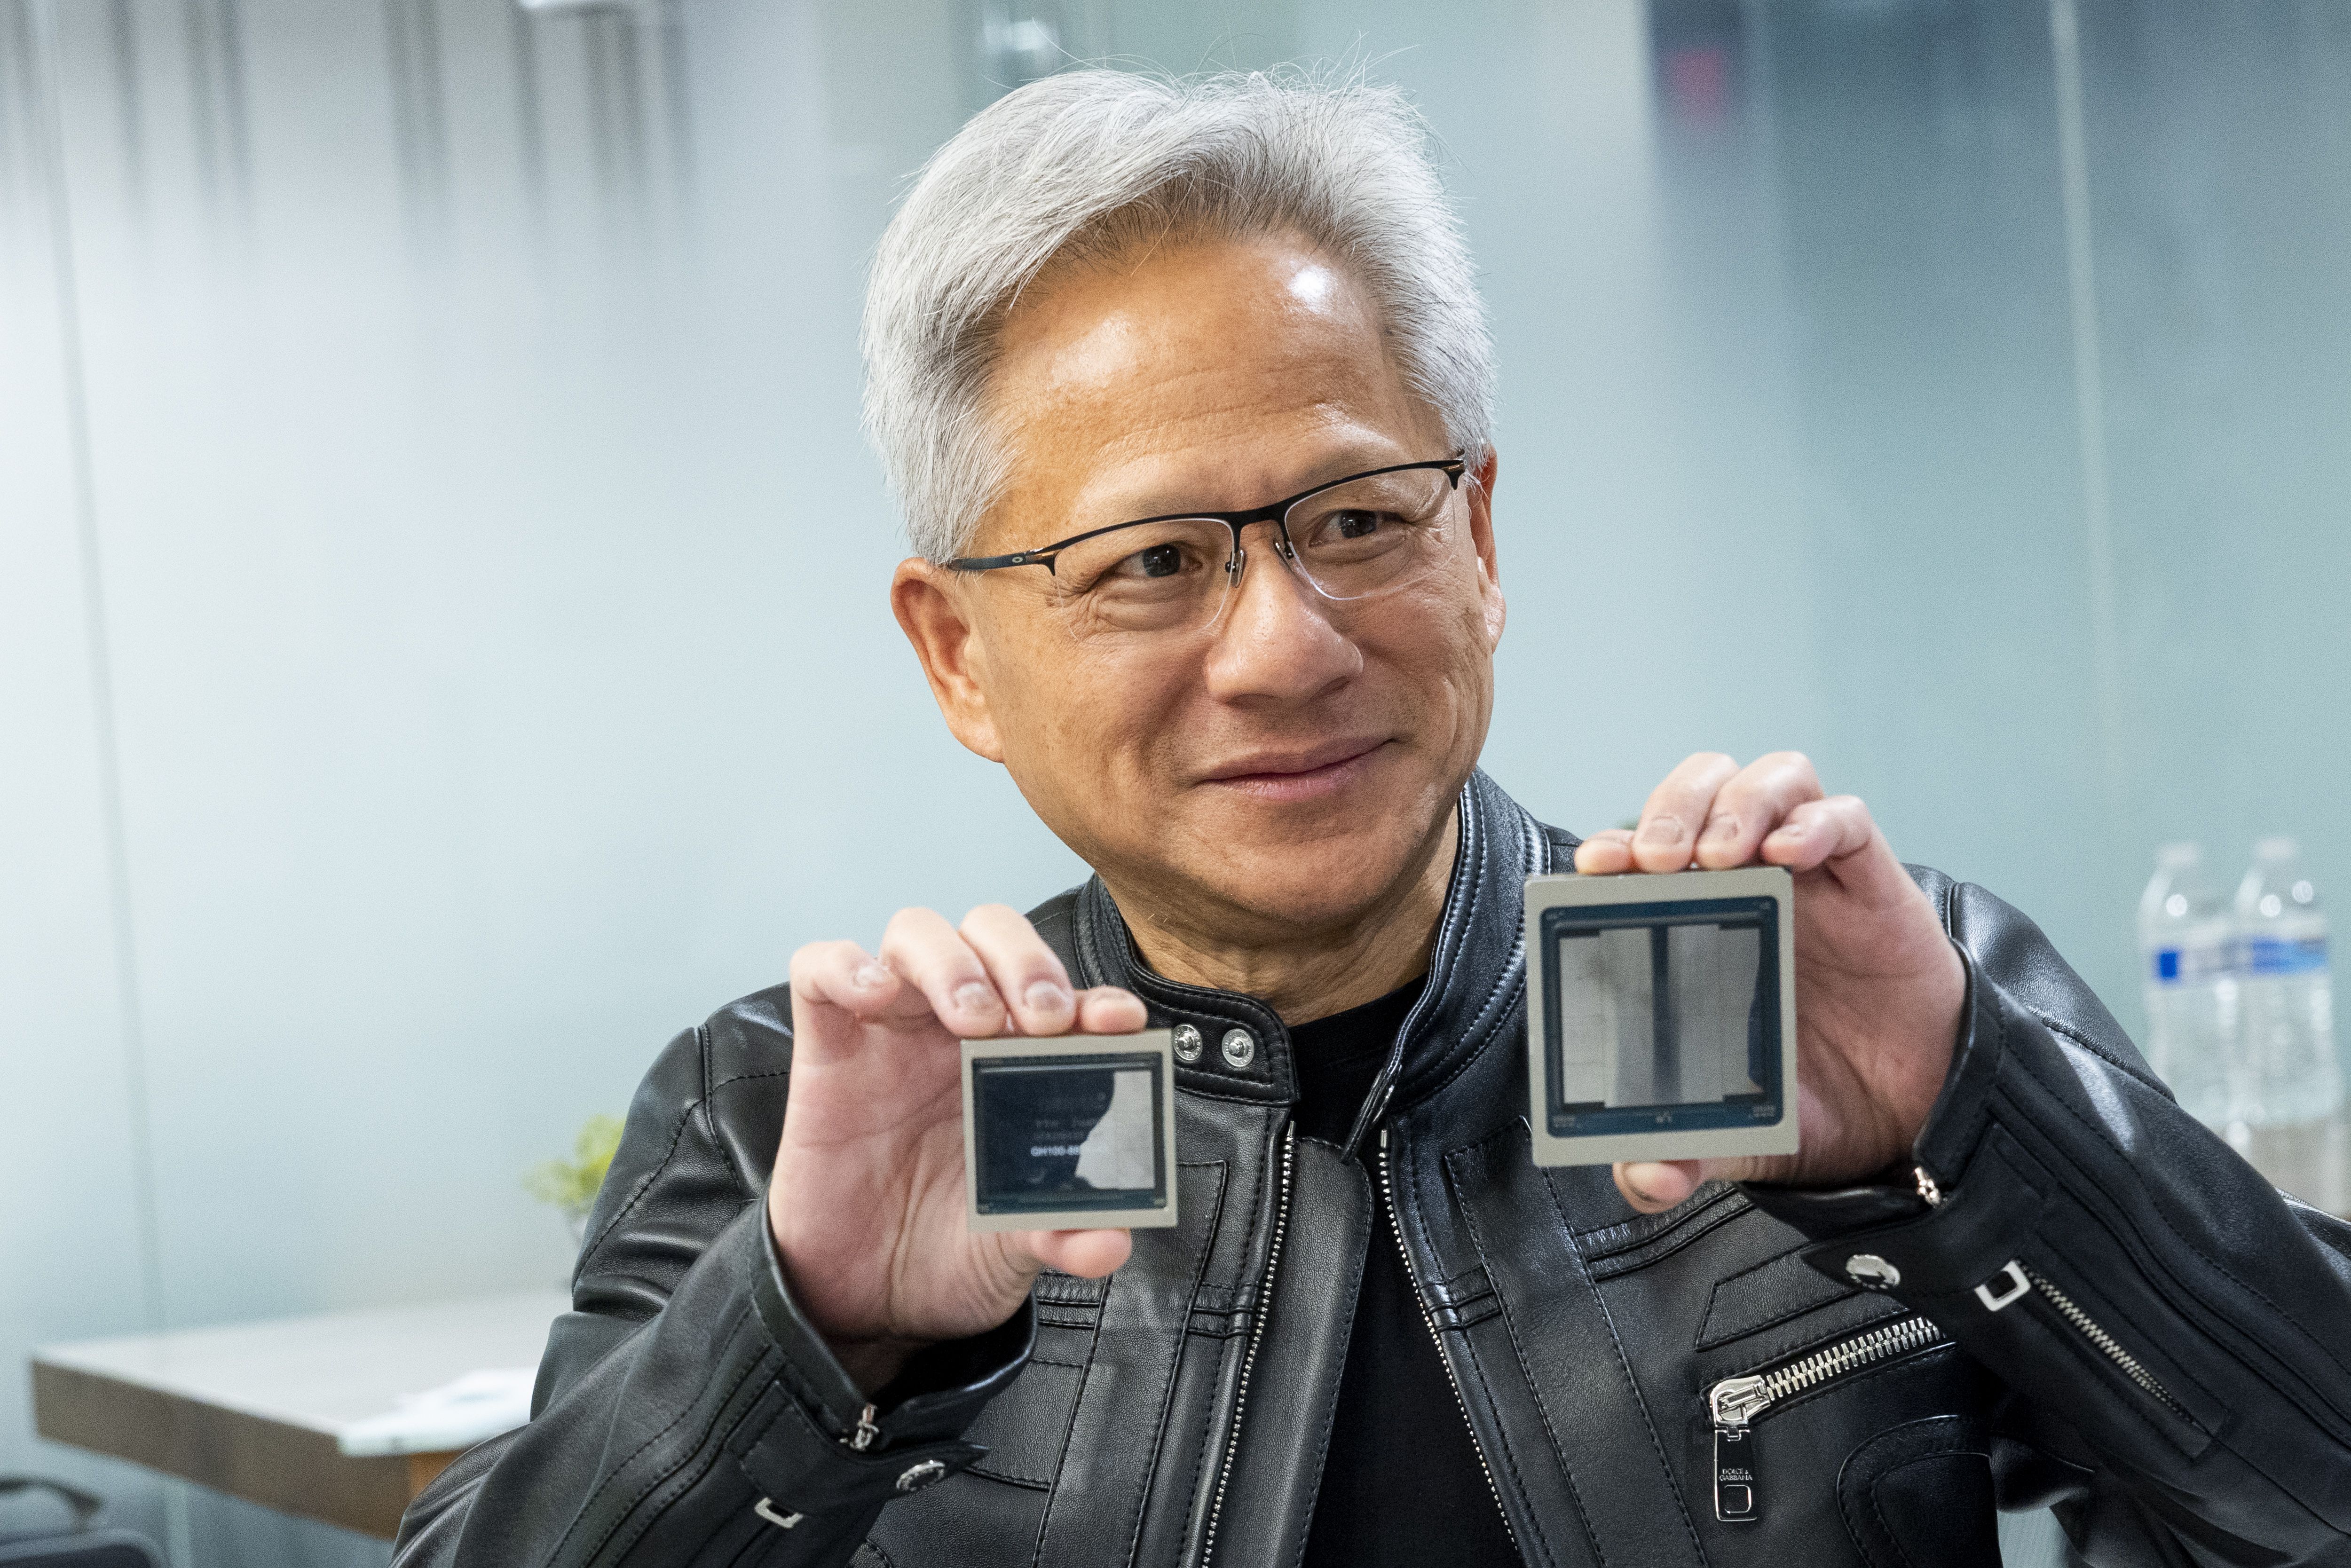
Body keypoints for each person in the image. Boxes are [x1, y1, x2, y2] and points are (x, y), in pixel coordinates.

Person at [394, 70, 2351, 1568]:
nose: (1281, 647)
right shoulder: (790, 1112)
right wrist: (804, 1337)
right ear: (957, 653)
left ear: (1476, 537)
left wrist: (1969, 1127)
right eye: (1150, 561)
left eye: (1353, 520)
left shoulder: (1836, 1004)